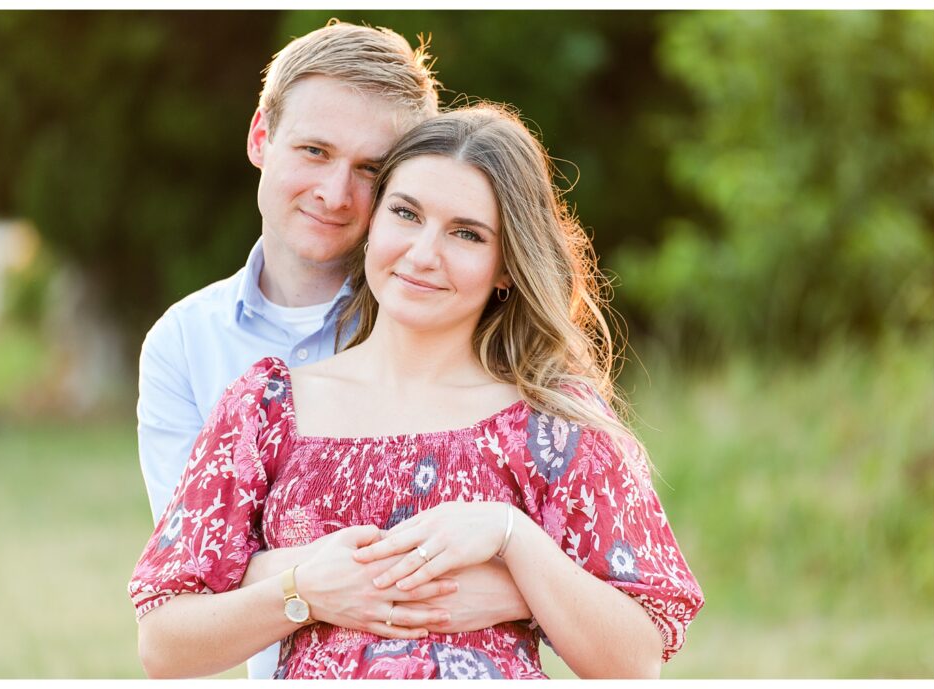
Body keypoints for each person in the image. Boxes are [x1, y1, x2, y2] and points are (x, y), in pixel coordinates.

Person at [129, 103, 704, 679]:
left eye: (466, 234)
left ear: (506, 266)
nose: (424, 254)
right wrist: (302, 591)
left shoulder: (551, 420)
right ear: (373, 222)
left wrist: (511, 537)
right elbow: (163, 643)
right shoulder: (267, 409)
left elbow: (635, 662)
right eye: (406, 213)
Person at [134, 20, 531, 680]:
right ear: (261, 137)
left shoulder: (450, 317)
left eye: (371, 169)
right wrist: (502, 579)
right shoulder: (183, 344)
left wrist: (517, 566)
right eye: (314, 150)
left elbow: (586, 558)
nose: (335, 193)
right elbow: (195, 574)